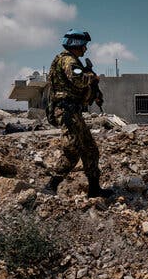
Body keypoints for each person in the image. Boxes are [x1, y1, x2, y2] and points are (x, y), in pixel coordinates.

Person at [44, 29, 113, 198]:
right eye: (84, 46)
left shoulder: (73, 61)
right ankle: (51, 186)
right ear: (77, 44)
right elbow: (79, 79)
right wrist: (92, 78)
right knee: (72, 151)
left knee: (90, 150)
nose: (85, 49)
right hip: (66, 111)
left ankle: (94, 189)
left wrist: (95, 93)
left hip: (73, 111)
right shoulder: (68, 60)